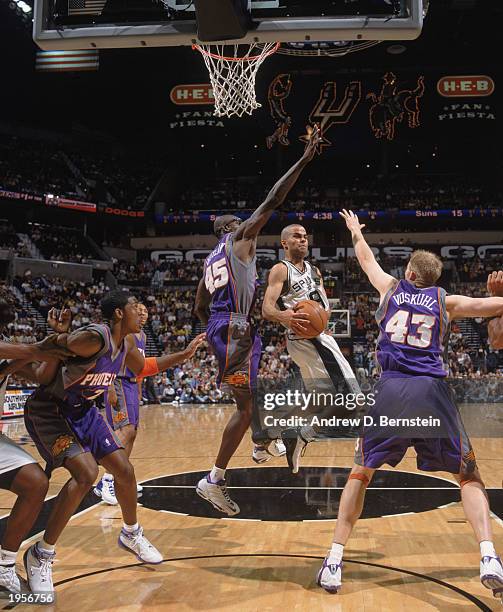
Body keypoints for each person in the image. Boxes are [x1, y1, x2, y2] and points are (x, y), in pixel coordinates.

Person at [317, 210, 503, 601]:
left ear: (412, 275)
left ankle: (334, 559)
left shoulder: (391, 289)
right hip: (432, 393)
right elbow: (489, 308)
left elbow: (366, 259)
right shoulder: (446, 301)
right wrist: (497, 294)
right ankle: (488, 556)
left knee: (360, 473)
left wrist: (355, 231)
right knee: (468, 476)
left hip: (392, 390)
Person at [22, 290, 204, 594]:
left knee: (124, 470)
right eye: (135, 307)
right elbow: (45, 348)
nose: (142, 312)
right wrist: (59, 335)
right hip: (51, 410)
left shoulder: (128, 342)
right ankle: (41, 554)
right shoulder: (94, 337)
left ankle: (131, 533)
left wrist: (183, 356)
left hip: (82, 410)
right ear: (119, 313)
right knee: (86, 474)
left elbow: (142, 368)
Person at [194, 126, 321, 516]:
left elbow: (200, 307)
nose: (255, 230)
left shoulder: (209, 259)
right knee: (246, 407)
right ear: (234, 229)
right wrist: (304, 159)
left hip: (226, 327)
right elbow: (274, 197)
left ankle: (261, 442)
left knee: (248, 401)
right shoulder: (240, 238)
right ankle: (215, 477)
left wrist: (220, 326)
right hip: (235, 328)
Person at [261, 224, 361, 473]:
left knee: (318, 400)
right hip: (308, 339)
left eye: (305, 237)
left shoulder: (314, 270)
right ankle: (304, 435)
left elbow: (322, 304)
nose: (303, 240)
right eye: (297, 237)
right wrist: (285, 317)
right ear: (285, 243)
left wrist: (324, 320)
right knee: (352, 397)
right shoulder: (280, 270)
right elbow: (267, 309)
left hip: (317, 338)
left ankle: (269, 435)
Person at [0, 296, 71, 595]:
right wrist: (56, 340)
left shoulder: (3, 341)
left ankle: (4, 565)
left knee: (36, 483)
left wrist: (55, 343)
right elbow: (30, 351)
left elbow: (41, 374)